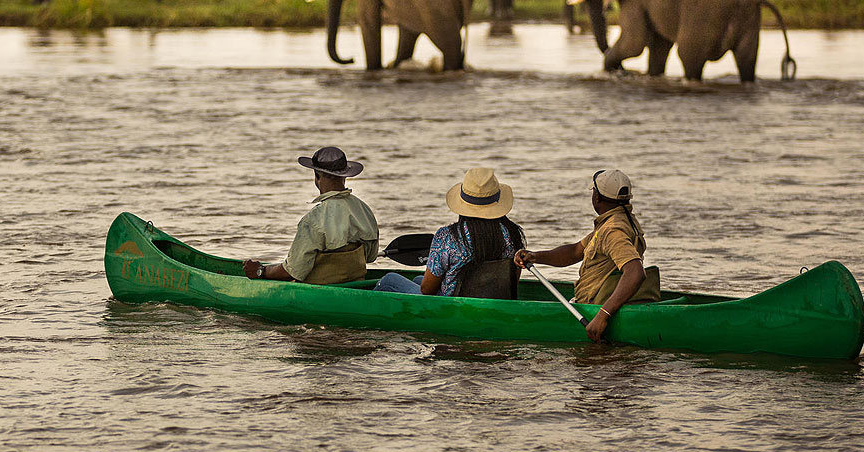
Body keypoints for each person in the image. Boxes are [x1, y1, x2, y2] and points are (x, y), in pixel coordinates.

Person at [513, 168, 657, 342]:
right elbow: (575, 251)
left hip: (594, 308)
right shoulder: (620, 221)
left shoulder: (612, 230)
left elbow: (635, 272)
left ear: (597, 198)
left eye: (594, 192)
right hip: (602, 300)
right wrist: (535, 257)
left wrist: (602, 316)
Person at [374, 167, 524, 298]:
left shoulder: (447, 237)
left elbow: (427, 290)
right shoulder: (513, 233)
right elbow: (513, 281)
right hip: (494, 298)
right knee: (417, 280)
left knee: (389, 280)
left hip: (452, 304)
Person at [242, 146, 379, 285]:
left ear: (317, 176)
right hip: (355, 284)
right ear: (344, 176)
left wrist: (261, 271)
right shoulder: (364, 210)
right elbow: (371, 256)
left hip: (323, 290)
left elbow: (292, 271)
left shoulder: (313, 220)